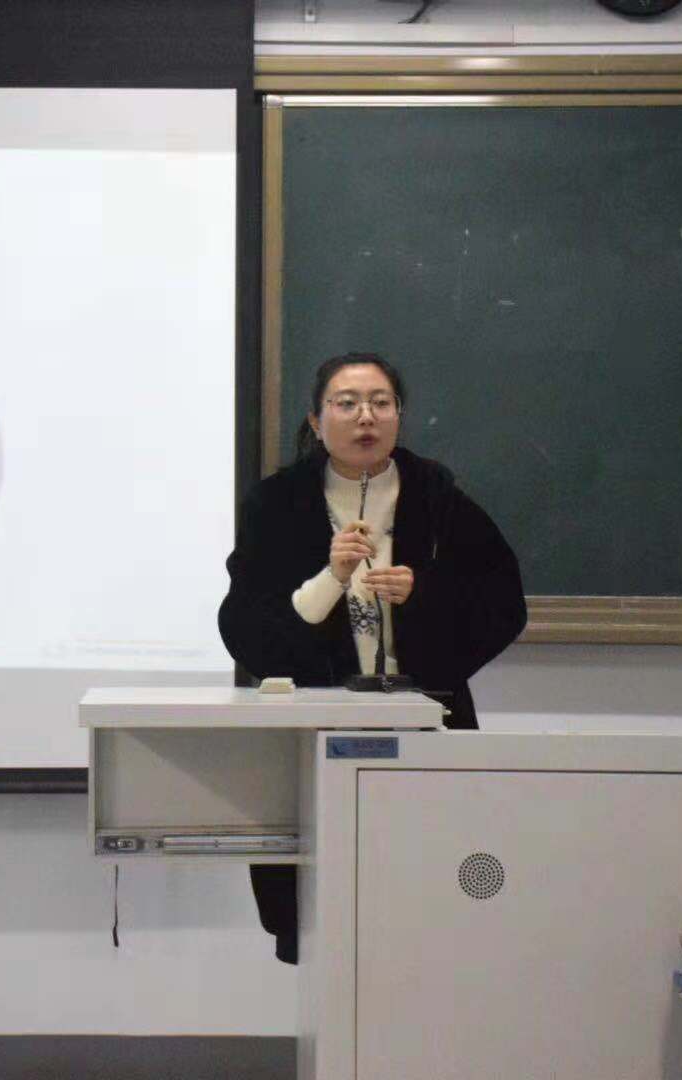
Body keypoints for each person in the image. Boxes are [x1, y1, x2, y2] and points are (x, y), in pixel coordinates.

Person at [218, 352, 528, 963]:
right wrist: (330, 580)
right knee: (322, 924)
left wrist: (423, 597)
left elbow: (502, 606)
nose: (366, 417)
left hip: (424, 729)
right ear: (316, 420)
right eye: (347, 403)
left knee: (425, 919)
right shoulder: (277, 505)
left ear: (399, 416)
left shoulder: (439, 499)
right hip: (312, 731)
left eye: (381, 403)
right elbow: (245, 625)